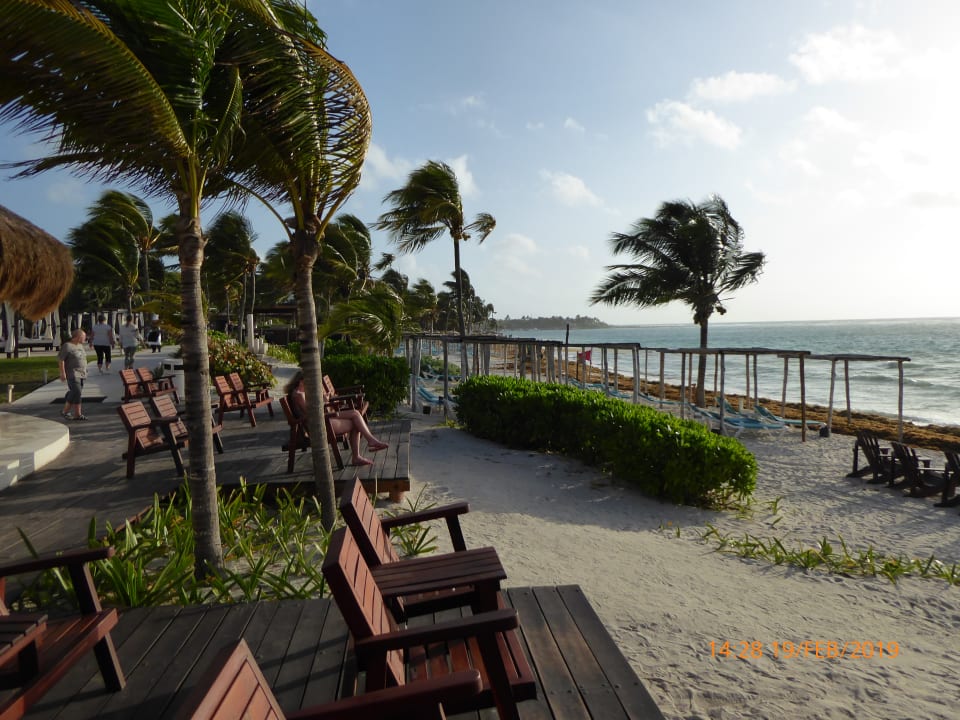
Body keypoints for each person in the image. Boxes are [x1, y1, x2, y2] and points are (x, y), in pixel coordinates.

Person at [284, 371, 388, 466]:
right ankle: (361, 451)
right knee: (356, 421)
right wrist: (324, 401)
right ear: (301, 381)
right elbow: (312, 413)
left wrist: (324, 400)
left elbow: (314, 410)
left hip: (321, 420)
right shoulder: (298, 395)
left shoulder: (301, 393)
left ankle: (368, 443)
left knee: (356, 414)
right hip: (318, 425)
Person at [58, 328, 89, 421]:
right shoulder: (67, 346)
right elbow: (61, 360)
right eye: (83, 337)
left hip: (82, 373)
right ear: (77, 337)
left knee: (77, 394)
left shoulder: (80, 346)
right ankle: (65, 411)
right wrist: (62, 373)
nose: (85, 339)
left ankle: (77, 414)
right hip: (72, 373)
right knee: (77, 391)